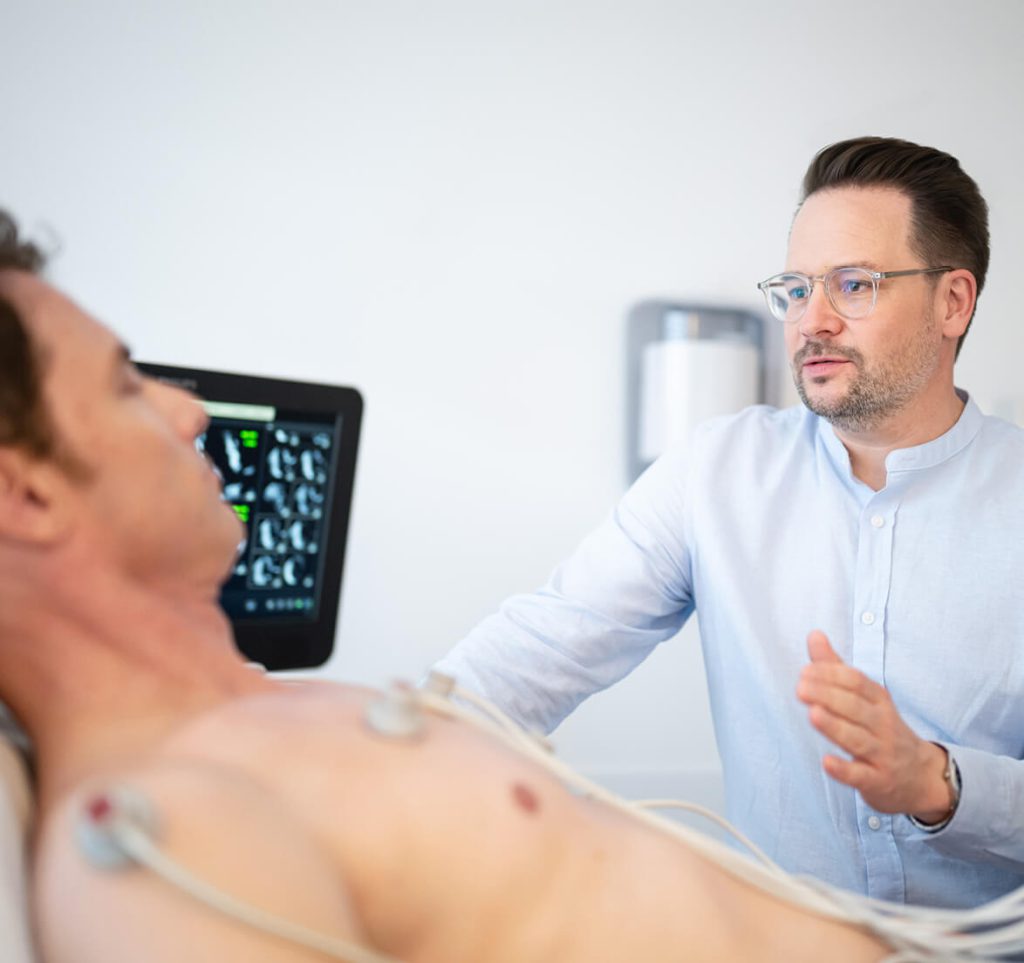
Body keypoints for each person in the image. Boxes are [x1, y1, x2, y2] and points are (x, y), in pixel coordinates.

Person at [0, 212, 900, 962]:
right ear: (24, 493)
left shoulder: (267, 720)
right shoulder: (154, 831)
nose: (189, 408)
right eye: (124, 387)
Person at [435, 136, 1024, 909]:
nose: (812, 321)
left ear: (954, 302)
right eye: (796, 289)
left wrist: (938, 781)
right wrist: (391, 737)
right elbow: (543, 644)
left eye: (853, 284)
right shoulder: (715, 470)